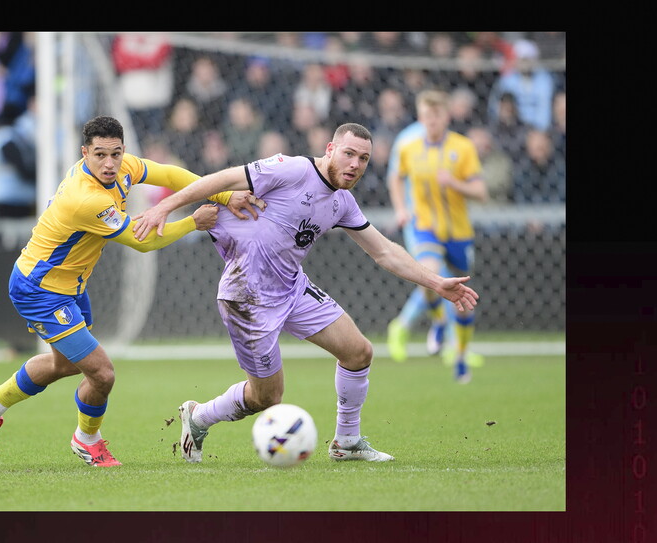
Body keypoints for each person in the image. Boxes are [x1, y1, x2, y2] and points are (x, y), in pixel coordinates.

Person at [131, 122, 479, 464]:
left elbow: (383, 250)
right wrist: (164, 206)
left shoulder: (342, 202)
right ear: (330, 149)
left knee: (359, 352)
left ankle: (347, 442)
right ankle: (200, 416)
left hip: (292, 288)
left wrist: (435, 282)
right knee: (267, 397)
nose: (355, 164)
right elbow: (221, 180)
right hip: (246, 297)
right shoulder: (293, 169)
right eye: (348, 154)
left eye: (364, 159)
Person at [0, 116, 264, 467]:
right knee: (102, 373)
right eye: (100, 155)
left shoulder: (123, 168)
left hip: (70, 284)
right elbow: (143, 241)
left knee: (65, 365)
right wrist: (192, 223)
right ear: (84, 153)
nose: (109, 164)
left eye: (116, 154)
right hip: (40, 290)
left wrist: (225, 194)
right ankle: (86, 440)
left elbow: (171, 175)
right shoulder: (86, 199)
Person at [387, 90, 488, 383]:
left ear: (447, 116)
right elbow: (395, 176)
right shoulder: (409, 147)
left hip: (457, 232)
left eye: (437, 116)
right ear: (420, 118)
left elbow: (481, 192)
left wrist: (455, 183)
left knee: (463, 297)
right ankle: (439, 322)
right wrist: (401, 209)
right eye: (426, 116)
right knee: (429, 275)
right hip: (424, 226)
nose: (431, 121)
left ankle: (460, 355)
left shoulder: (463, 147)